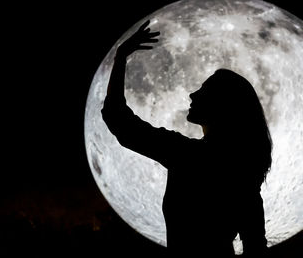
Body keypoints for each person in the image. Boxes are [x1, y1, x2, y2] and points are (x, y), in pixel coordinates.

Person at [101, 20, 272, 257]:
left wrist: (121, 57)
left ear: (223, 106)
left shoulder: (188, 155)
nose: (193, 94)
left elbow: (118, 119)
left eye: (204, 90)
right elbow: (256, 249)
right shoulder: (244, 174)